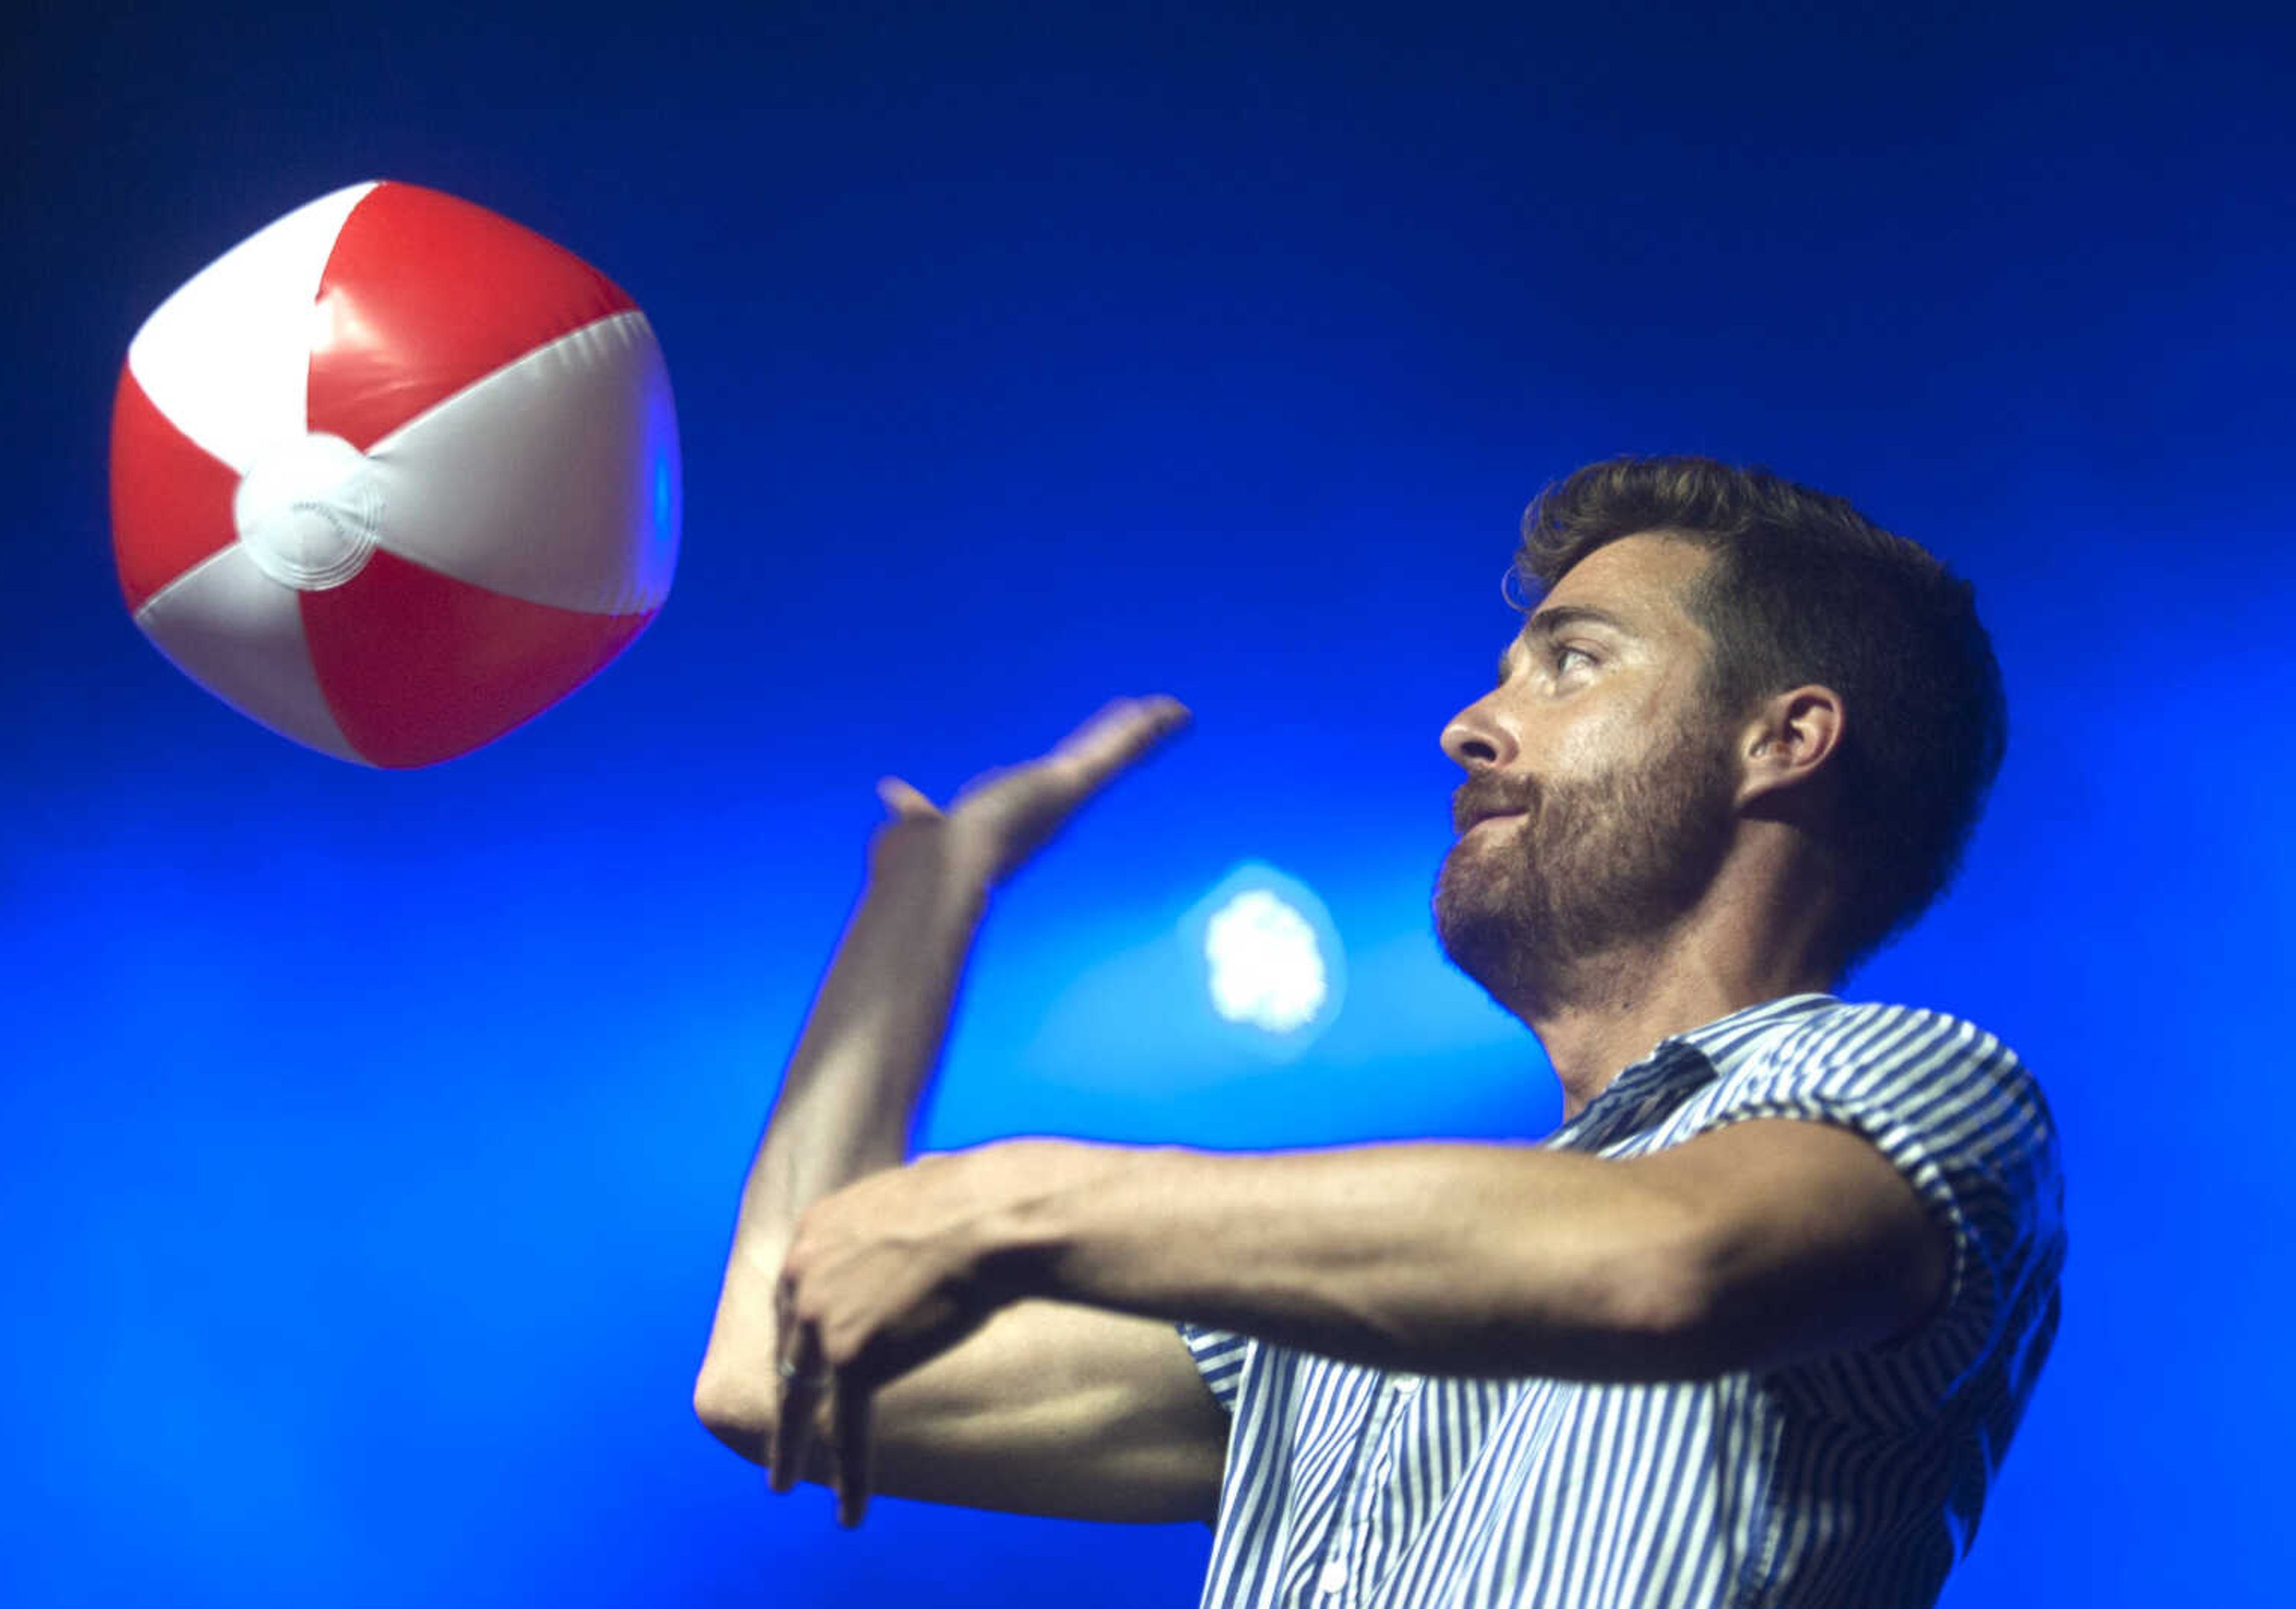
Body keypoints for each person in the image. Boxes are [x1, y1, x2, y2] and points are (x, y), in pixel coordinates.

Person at [693, 455, 2064, 1608]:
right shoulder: (1353, 1307)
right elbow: (777, 1363)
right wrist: (927, 901)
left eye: (1569, 664)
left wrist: (1017, 1201)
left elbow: (1671, 1260)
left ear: (1787, 739)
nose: (1472, 724)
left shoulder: (1917, 1078)